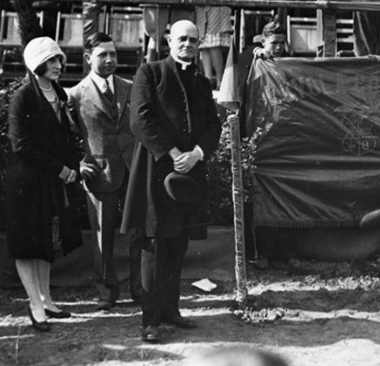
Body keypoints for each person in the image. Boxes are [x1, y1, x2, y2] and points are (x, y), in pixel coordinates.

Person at [121, 20, 222, 343]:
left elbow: (212, 126)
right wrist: (173, 152)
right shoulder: (150, 72)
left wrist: (196, 153)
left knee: (178, 243)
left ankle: (170, 311)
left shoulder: (202, 82)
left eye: (193, 40)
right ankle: (150, 320)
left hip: (188, 174)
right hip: (156, 172)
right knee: (153, 244)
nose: (188, 45)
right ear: (168, 40)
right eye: (182, 39)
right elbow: (140, 120)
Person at [6, 37, 82, 332]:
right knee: (28, 244)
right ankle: (34, 304)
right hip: (27, 181)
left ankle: (47, 299)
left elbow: (64, 138)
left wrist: (70, 168)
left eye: (59, 60)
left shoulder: (58, 92)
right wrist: (61, 169)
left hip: (52, 180)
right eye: (51, 61)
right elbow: (21, 146)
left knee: (46, 240)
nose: (58, 66)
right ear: (36, 63)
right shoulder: (24, 96)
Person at [68, 33, 141, 311]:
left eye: (113, 54)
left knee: (139, 232)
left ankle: (140, 289)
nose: (110, 60)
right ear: (88, 59)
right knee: (103, 236)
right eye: (102, 55)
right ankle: (106, 293)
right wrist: (78, 162)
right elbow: (64, 135)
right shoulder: (75, 94)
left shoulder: (130, 87)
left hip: (132, 169)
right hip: (98, 173)